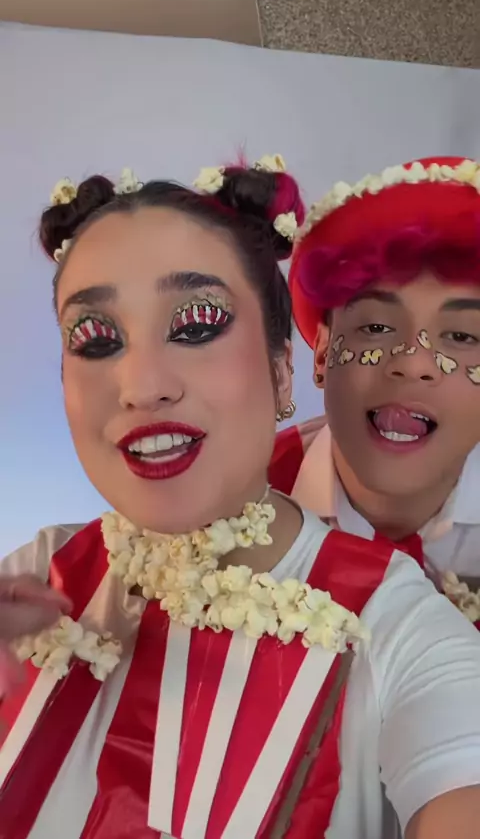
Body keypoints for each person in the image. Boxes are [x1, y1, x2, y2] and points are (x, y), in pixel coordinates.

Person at [1, 155, 480, 839]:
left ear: (283, 370)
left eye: (196, 324)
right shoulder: (36, 577)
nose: (142, 386)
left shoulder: (400, 628)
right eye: (95, 338)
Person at [270, 156, 480, 618]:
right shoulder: (234, 510)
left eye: (463, 336)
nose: (413, 363)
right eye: (376, 327)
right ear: (322, 354)